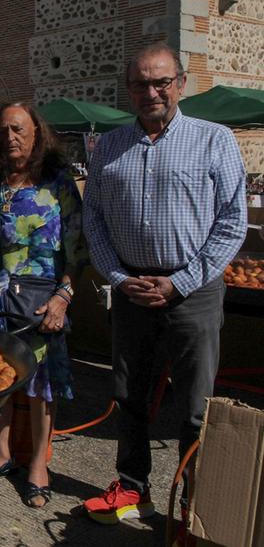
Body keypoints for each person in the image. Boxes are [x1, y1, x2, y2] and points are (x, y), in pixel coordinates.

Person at [82, 43, 246, 529]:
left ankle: (195, 505)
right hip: (131, 291)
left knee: (196, 408)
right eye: (140, 84)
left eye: (161, 82)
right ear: (128, 88)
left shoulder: (214, 139)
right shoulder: (109, 147)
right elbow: (94, 221)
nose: (151, 91)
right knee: (130, 398)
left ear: (181, 83)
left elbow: (233, 223)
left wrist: (181, 283)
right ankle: (133, 489)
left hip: (193, 292)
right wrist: (118, 277)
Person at [0, 101, 87, 509]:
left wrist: (62, 298)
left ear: (37, 133)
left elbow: (77, 251)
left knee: (40, 384)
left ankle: (37, 465)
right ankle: (1, 454)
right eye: (3, 130)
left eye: (18, 129)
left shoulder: (58, 185)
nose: (10, 137)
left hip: (39, 300)